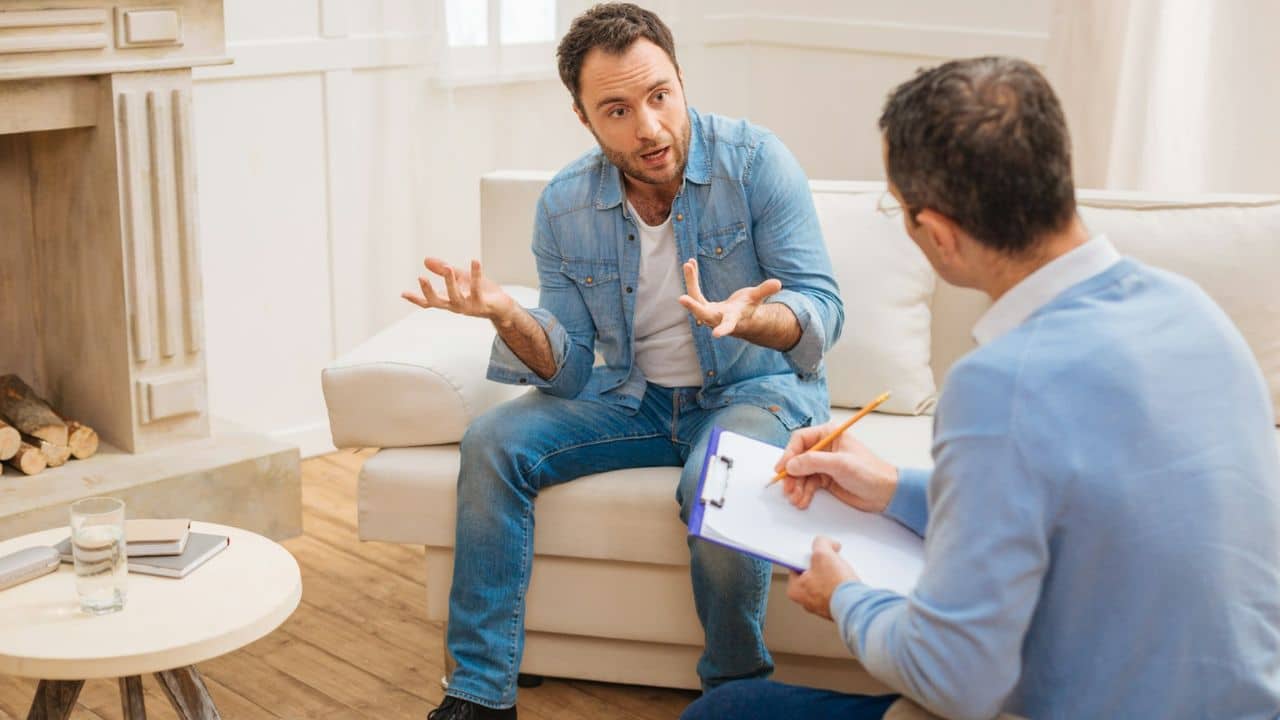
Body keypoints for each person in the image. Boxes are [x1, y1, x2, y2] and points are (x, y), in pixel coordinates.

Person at [683, 56, 1280, 720]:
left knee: (725, 711)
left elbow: (955, 681)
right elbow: (1081, 510)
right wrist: (892, 490)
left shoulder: (1002, 383)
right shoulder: (1195, 312)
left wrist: (845, 597)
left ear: (937, 234)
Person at [402, 4, 844, 718]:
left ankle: (736, 693)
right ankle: (480, 695)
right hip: (631, 397)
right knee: (494, 441)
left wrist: (751, 318)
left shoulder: (757, 163)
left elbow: (823, 312)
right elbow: (572, 368)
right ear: (583, 117)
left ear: (679, 78)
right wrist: (511, 317)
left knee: (718, 479)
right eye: (617, 109)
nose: (648, 127)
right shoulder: (565, 204)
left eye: (660, 95)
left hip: (753, 392)